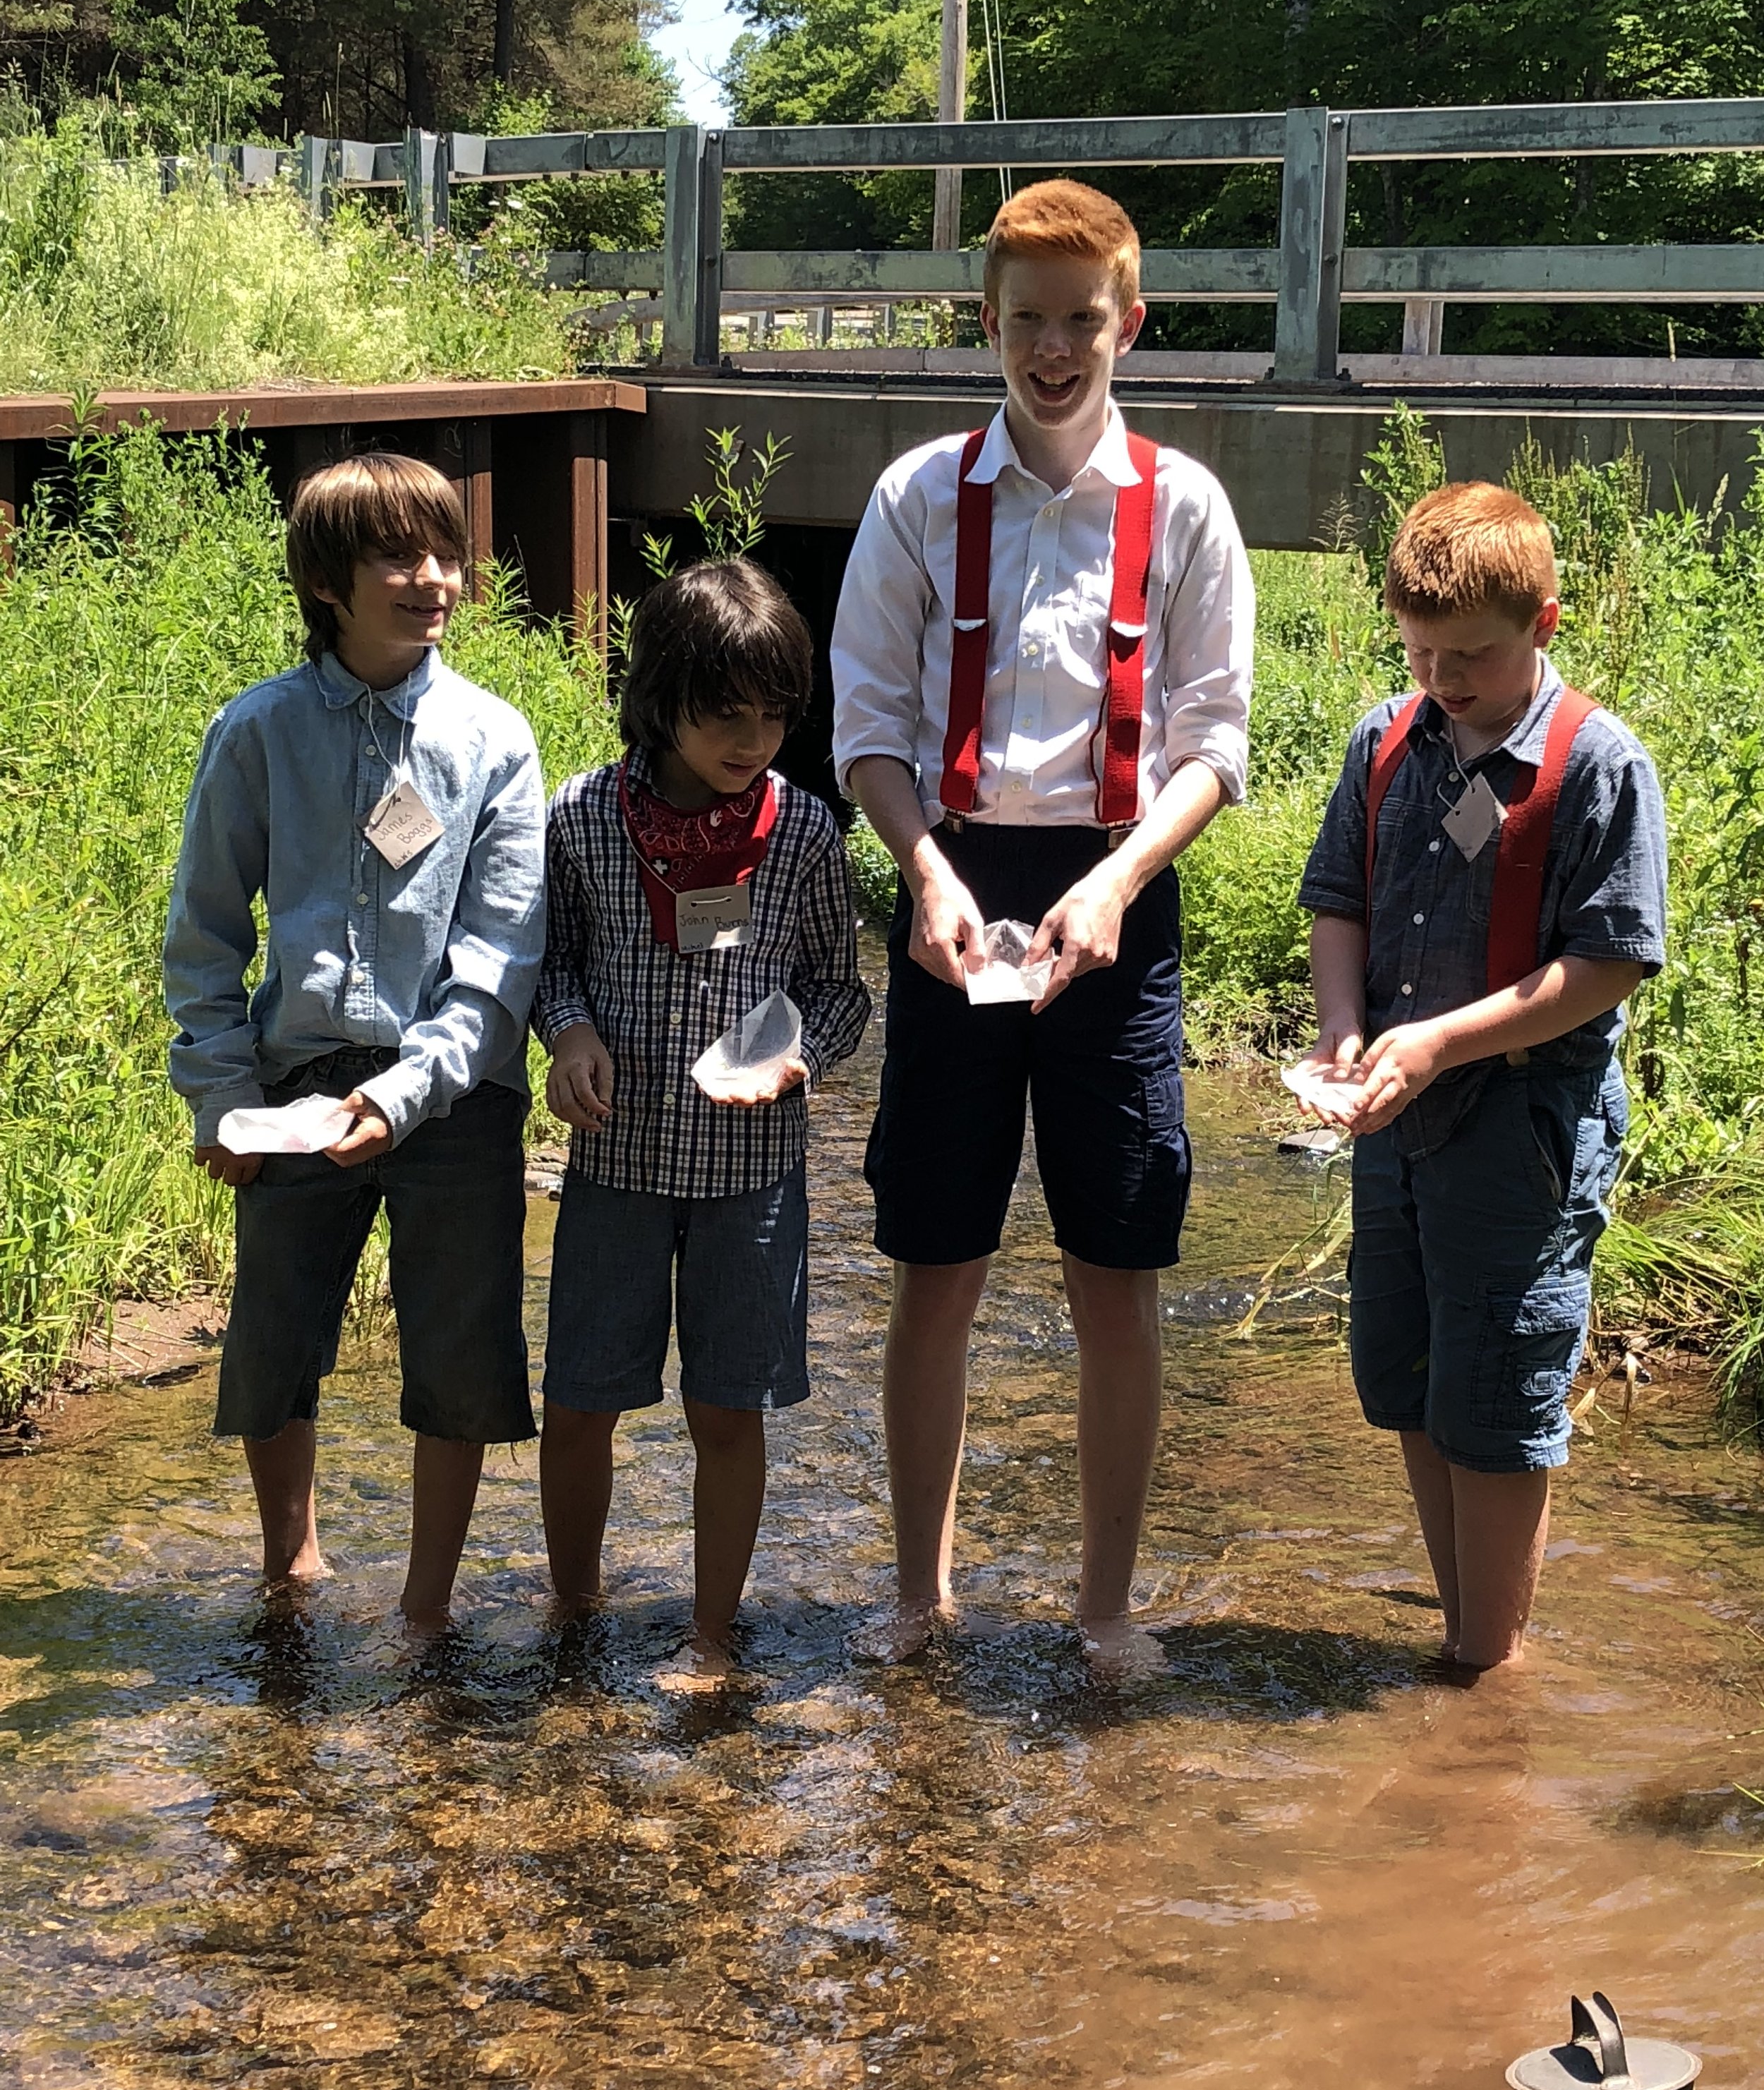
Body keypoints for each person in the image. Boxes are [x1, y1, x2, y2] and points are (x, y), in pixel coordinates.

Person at [830, 179, 1255, 1669]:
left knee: (1114, 1267)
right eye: (1027, 321)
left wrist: (1118, 882)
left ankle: (1103, 1606)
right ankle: (913, 1593)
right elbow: (866, 724)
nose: (1054, 349)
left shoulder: (1184, 506)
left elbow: (1212, 744)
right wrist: (923, 867)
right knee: (933, 1261)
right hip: (950, 893)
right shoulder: (911, 496)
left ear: (1128, 321)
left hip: (1114, 895)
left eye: (1082, 321)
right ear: (987, 324)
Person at [164, 452, 546, 1631]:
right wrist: (221, 1096)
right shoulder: (258, 732)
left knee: (461, 1353)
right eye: (399, 556)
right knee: (272, 1344)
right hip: (293, 1084)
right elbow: (205, 936)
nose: (434, 579)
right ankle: (296, 1568)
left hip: (455, 1092)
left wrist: (409, 1092)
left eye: (444, 552)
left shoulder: (494, 741)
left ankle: (427, 1605)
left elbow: (500, 959)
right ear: (328, 580)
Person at [1291, 481, 1667, 1670]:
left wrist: (1442, 1040)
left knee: (1499, 1391)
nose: (1443, 679)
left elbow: (1609, 964)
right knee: (1409, 1374)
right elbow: (1340, 903)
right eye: (1420, 652)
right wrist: (1343, 1027)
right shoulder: (1386, 739)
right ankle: (1468, 1635)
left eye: (1472, 656)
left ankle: (1486, 1670)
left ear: (1545, 623)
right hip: (1397, 1120)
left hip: (1524, 1124)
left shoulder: (1599, 765)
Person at [535, 558, 869, 1685]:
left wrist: (798, 1057)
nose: (753, 740)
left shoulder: (807, 836)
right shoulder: (582, 821)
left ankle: (711, 1635)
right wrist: (570, 1032)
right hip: (616, 1162)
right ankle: (572, 1613)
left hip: (754, 1178)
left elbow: (842, 990)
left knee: (730, 1411)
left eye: (776, 717)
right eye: (727, 716)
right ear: (661, 696)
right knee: (581, 1400)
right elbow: (553, 963)